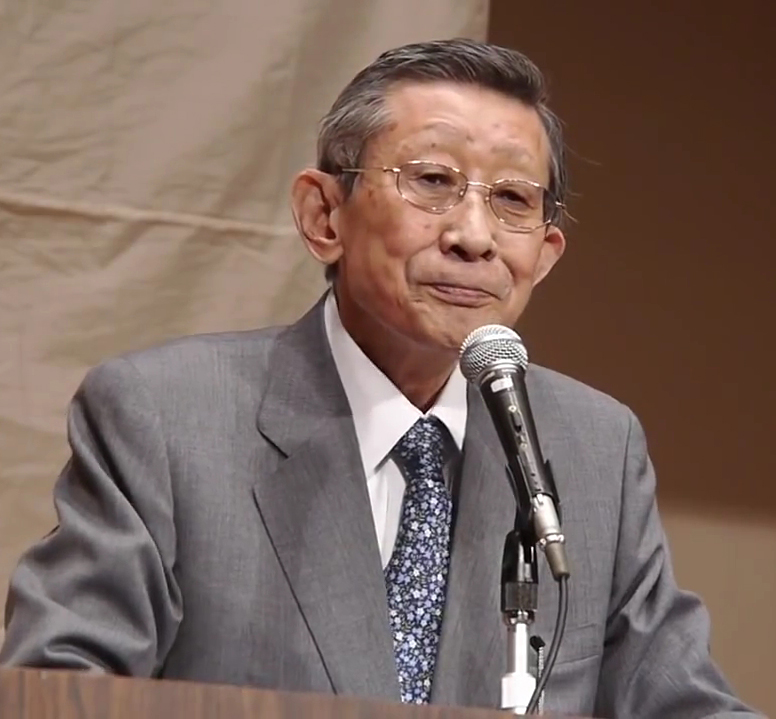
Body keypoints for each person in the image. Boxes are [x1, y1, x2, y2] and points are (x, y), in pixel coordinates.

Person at [0, 38, 761, 718]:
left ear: (546, 254)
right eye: (432, 179)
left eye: (511, 200)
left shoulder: (595, 448)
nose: (473, 237)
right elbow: (59, 689)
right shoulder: (167, 417)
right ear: (324, 215)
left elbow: (684, 703)